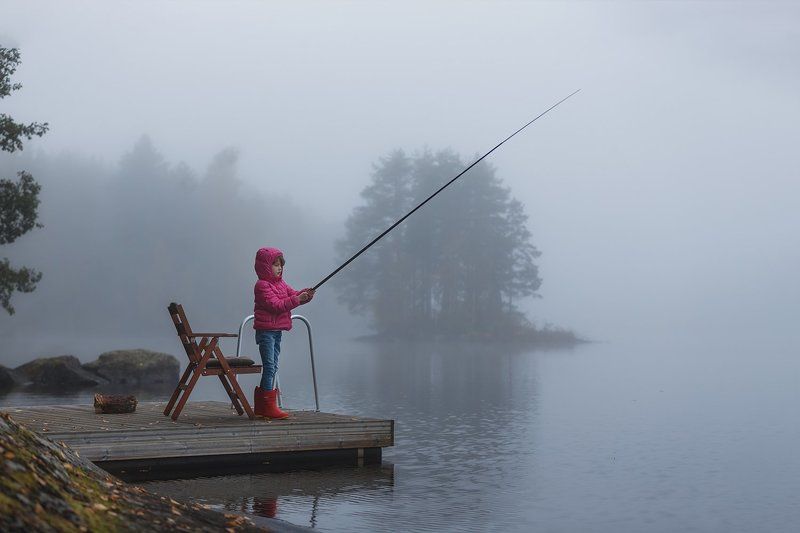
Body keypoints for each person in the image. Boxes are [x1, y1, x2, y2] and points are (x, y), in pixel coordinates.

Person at [253, 247, 314, 418]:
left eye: (281, 265)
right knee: (270, 366)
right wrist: (297, 299)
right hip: (265, 332)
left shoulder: (281, 284)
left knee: (273, 366)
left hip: (277, 331)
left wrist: (305, 295)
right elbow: (276, 306)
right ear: (265, 266)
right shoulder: (262, 286)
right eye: (275, 265)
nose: (279, 268)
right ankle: (267, 405)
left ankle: (262, 405)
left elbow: (293, 295)